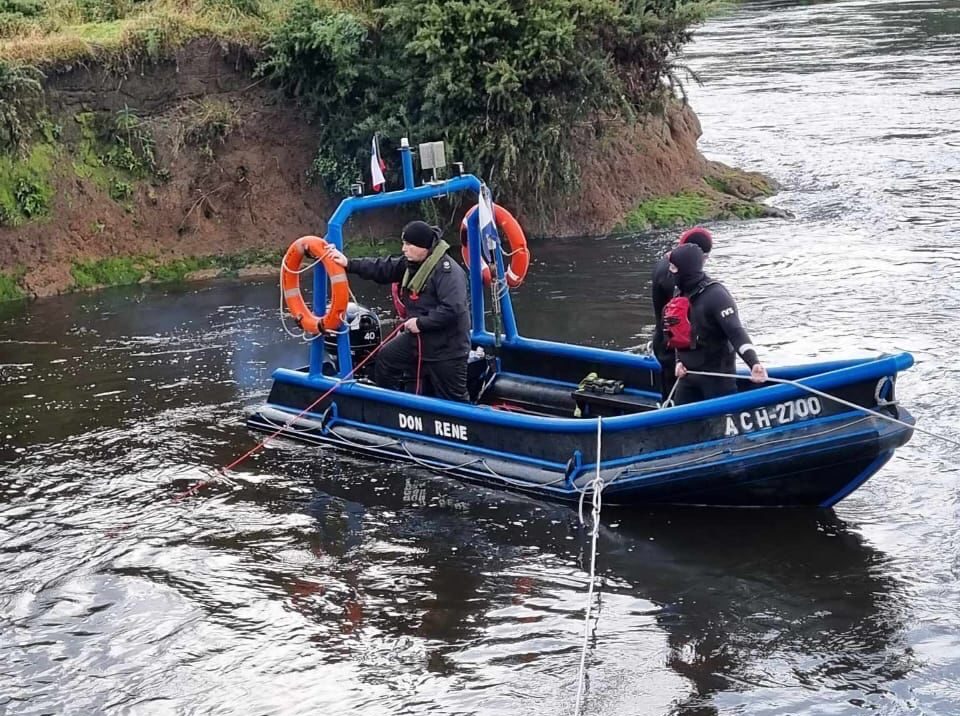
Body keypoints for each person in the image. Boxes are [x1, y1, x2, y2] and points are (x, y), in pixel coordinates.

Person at [328, 220, 471, 402]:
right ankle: (394, 406)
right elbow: (382, 268)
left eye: (409, 244)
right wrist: (349, 264)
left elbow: (453, 308)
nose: (404, 249)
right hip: (418, 340)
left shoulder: (447, 272)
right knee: (386, 359)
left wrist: (421, 323)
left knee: (454, 398)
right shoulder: (411, 265)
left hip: (447, 347)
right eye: (403, 243)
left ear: (423, 247)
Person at [665, 242, 768, 405]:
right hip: (687, 377)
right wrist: (678, 361)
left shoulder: (716, 295)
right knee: (682, 426)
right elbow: (679, 331)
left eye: (673, 268)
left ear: (686, 269)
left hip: (717, 379)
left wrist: (753, 363)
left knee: (719, 423)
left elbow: (735, 331)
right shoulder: (679, 293)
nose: (670, 272)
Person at [651, 227, 715, 404]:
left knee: (669, 392)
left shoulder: (666, 264)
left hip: (663, 340)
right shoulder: (677, 275)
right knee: (676, 399)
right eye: (705, 258)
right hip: (673, 346)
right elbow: (679, 319)